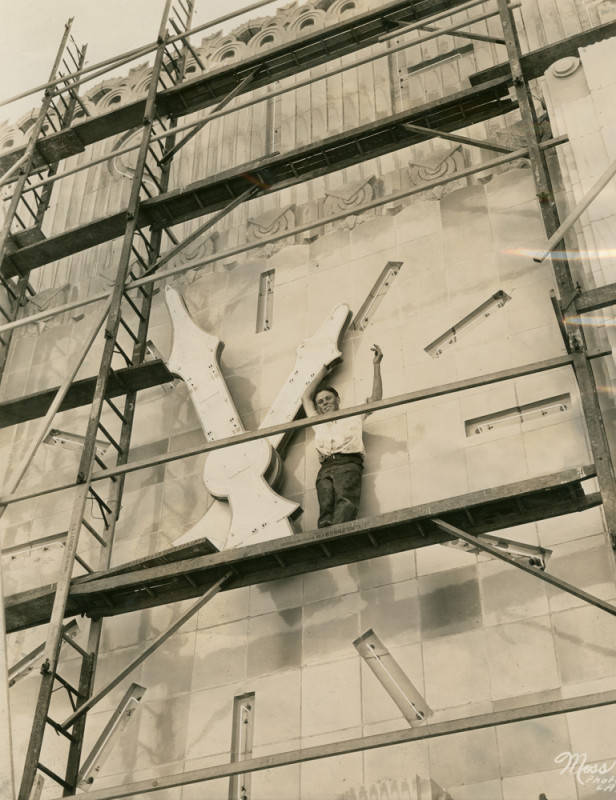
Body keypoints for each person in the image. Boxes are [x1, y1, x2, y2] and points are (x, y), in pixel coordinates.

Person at [302, 344, 383, 528]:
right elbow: (305, 398)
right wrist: (323, 369)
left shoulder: (353, 415)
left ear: (337, 400)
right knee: (325, 512)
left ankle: (336, 542)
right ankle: (324, 543)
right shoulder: (318, 421)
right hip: (326, 467)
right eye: (320, 402)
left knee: (345, 507)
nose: (324, 403)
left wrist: (376, 365)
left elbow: (376, 399)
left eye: (328, 399)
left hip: (348, 464)